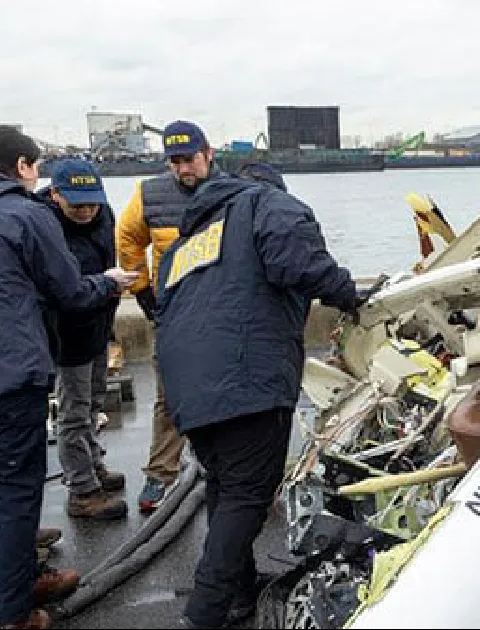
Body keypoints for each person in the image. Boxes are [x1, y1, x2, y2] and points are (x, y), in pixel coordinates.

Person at [0, 126, 137, 629]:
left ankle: (15, 579)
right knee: (17, 489)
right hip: (7, 373)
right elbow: (71, 293)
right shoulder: (22, 213)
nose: (35, 176)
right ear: (21, 165)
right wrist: (107, 283)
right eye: (34, 166)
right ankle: (13, 611)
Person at [153, 160, 361, 628]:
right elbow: (299, 263)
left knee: (224, 485)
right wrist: (350, 294)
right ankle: (203, 614)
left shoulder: (188, 241)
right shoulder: (267, 202)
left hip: (186, 381)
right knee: (247, 494)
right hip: (244, 372)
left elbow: (164, 306)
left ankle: (238, 591)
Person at [115, 120, 217, 513]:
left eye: (190, 159)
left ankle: (227, 469)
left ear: (208, 154)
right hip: (174, 314)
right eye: (175, 162)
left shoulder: (235, 193)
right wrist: (143, 291)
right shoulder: (149, 195)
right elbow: (127, 238)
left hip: (221, 312)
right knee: (170, 395)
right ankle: (162, 473)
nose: (183, 169)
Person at [39, 159, 127, 520]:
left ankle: (93, 464)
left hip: (98, 321)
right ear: (56, 195)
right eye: (77, 205)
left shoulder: (104, 216)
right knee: (73, 412)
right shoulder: (42, 225)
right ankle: (82, 489)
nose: (87, 211)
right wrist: (105, 284)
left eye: (92, 203)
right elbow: (63, 288)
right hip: (68, 332)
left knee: (93, 402)